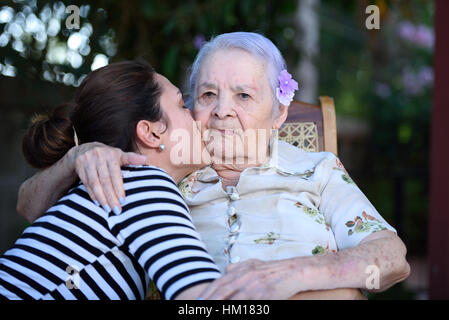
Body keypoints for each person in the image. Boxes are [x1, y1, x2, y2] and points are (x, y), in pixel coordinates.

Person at [16, 32, 410, 300]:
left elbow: (391, 257)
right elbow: (31, 208)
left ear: (279, 113)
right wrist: (77, 156)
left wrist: (296, 275)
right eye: (207, 94)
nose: (222, 111)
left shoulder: (317, 169)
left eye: (243, 95)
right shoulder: (158, 175)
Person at [0, 60, 222, 300]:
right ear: (150, 132)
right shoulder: (144, 184)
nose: (197, 115)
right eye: (181, 105)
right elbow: (202, 297)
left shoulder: (101, 185)